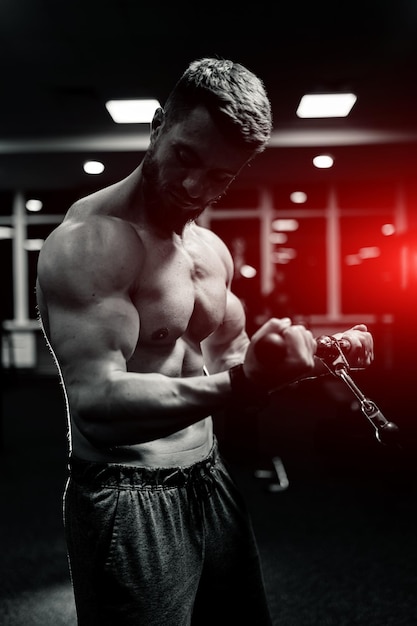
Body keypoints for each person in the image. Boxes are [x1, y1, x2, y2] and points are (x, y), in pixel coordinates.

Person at [36, 57, 374, 626]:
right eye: (186, 156)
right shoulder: (91, 244)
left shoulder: (209, 253)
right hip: (127, 491)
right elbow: (97, 404)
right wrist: (244, 382)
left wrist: (311, 356)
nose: (196, 187)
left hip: (210, 476)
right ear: (157, 126)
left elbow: (229, 360)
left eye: (221, 176)